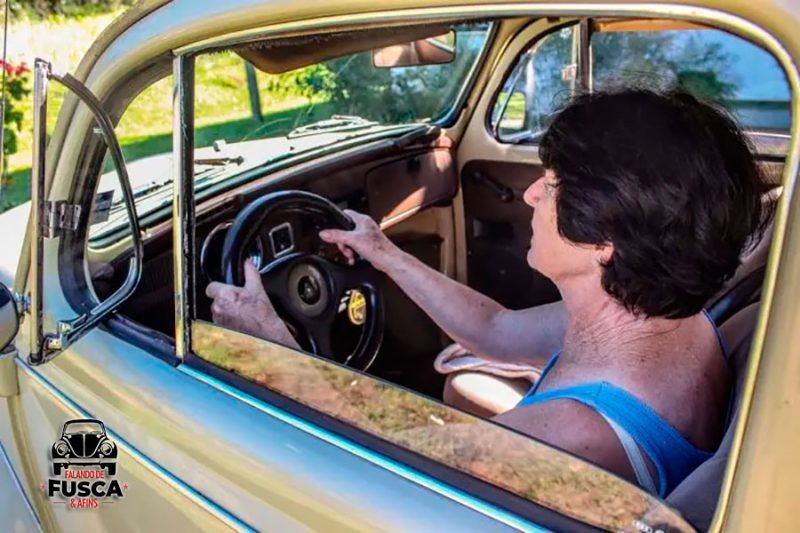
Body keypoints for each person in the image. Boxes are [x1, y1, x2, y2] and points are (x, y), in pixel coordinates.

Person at [206, 89, 771, 495]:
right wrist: (384, 252)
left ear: (605, 241)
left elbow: (382, 474)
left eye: (552, 186)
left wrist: (271, 354)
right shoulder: (660, 315)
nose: (530, 195)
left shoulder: (578, 433)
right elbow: (496, 330)